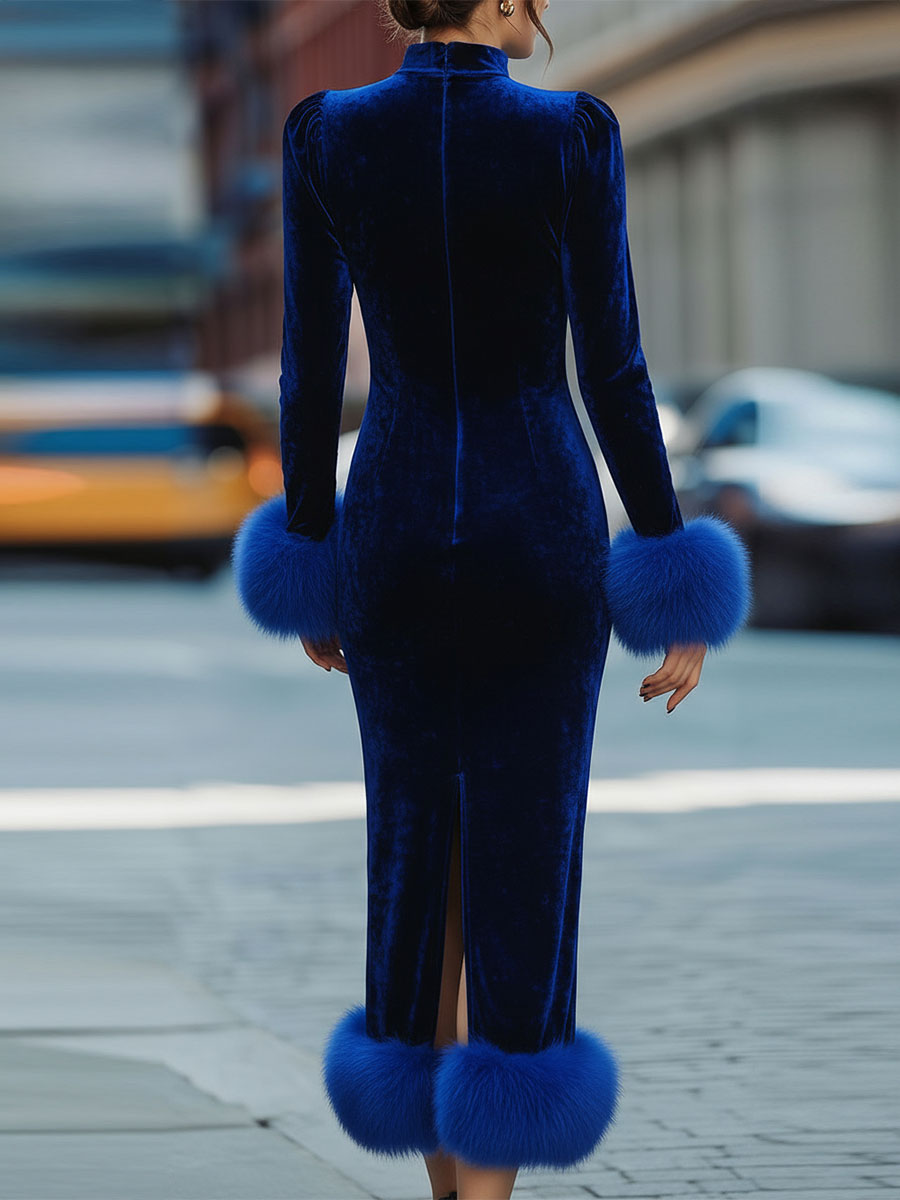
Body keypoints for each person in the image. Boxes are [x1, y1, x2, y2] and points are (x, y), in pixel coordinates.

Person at [232, 1, 752, 1197]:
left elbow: (309, 371)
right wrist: (670, 567)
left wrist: (312, 544)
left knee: (419, 854)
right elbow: (613, 367)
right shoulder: (573, 134)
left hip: (398, 523)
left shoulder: (327, 135)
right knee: (527, 851)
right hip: (541, 523)